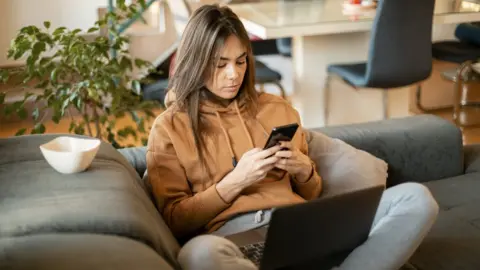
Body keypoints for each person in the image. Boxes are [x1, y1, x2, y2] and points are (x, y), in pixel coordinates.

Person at [146, 4, 439, 270]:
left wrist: (303, 171)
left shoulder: (277, 109)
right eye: (220, 64)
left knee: (416, 199)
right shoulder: (169, 128)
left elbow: (311, 193)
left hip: (301, 227)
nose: (233, 74)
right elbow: (174, 220)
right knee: (198, 256)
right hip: (231, 238)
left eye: (240, 61)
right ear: (196, 62)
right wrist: (236, 180)